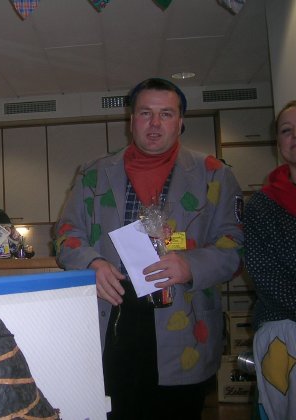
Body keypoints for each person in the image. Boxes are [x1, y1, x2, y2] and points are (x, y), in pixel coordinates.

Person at [55, 78, 244, 420]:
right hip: (113, 320)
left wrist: (191, 265)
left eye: (166, 114)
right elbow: (67, 234)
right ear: (131, 120)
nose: (155, 123)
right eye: (145, 113)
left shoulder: (214, 175)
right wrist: (91, 263)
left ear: (180, 121)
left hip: (185, 322)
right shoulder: (93, 174)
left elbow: (234, 247)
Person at [244, 100, 296, 420]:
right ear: (278, 142)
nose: (295, 136)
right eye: (287, 131)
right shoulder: (262, 206)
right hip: (284, 332)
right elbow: (266, 275)